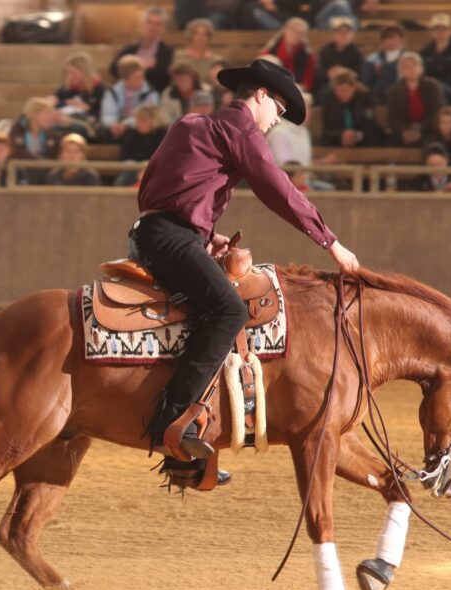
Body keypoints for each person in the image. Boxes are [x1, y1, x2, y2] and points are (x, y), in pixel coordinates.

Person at [133, 58, 359, 462]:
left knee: (204, 313)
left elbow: (163, 188)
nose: (277, 120)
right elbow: (278, 189)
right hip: (171, 238)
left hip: (153, 232)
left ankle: (188, 433)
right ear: (260, 95)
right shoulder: (240, 129)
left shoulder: (191, 124)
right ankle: (172, 422)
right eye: (279, 109)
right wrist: (331, 242)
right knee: (229, 311)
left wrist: (204, 236)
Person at [110, 6, 175, 93]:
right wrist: (143, 65)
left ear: (163, 28)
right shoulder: (130, 49)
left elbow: (164, 77)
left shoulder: (168, 52)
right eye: (149, 22)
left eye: (158, 24)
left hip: (153, 94)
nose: (153, 27)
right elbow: (113, 69)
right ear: (142, 25)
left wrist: (130, 69)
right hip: (126, 94)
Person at [385, 52, 443, 147]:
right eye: (406, 66)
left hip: (428, 128)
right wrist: (405, 131)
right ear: (400, 71)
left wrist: (419, 130)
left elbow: (436, 112)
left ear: (421, 68)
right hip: (403, 130)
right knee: (391, 143)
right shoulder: (394, 90)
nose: (411, 69)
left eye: (414, 65)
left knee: (432, 142)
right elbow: (393, 117)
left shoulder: (432, 86)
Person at [101, 55, 160, 141]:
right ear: (125, 79)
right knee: (103, 132)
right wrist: (113, 124)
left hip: (137, 127)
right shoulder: (113, 92)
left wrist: (126, 124)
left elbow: (147, 116)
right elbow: (107, 114)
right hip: (116, 127)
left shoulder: (150, 92)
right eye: (137, 78)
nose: (141, 80)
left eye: (142, 76)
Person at [9, 97, 64, 183]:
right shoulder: (17, 130)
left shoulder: (51, 134)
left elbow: (54, 154)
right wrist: (38, 162)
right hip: (21, 173)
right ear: (34, 114)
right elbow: (17, 152)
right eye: (46, 114)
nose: (50, 118)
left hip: (44, 175)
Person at [420, 13, 451, 106]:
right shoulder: (425, 53)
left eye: (444, 29)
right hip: (431, 92)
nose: (440, 32)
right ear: (431, 32)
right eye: (437, 29)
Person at [320, 68, 379, 147]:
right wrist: (342, 135)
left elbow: (369, 122)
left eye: (345, 90)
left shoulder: (365, 97)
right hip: (337, 137)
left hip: (362, 136)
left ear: (353, 88)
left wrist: (355, 135)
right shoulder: (329, 100)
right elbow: (328, 125)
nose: (342, 94)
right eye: (338, 91)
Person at [116, 103, 170, 185]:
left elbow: (165, 159)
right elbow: (123, 158)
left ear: (154, 121)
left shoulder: (164, 136)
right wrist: (137, 167)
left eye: (143, 120)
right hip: (133, 171)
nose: (138, 123)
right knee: (127, 175)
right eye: (137, 120)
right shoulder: (131, 135)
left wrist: (146, 168)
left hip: (156, 172)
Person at [261, 18, 317, 93]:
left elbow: (308, 84)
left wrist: (293, 88)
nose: (297, 36)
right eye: (294, 32)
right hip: (273, 90)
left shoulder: (307, 55)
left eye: (301, 33)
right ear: (286, 30)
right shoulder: (270, 52)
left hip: (297, 91)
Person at [315, 16, 365, 98]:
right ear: (334, 34)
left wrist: (346, 73)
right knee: (324, 92)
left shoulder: (357, 53)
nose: (343, 35)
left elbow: (361, 74)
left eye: (346, 33)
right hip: (329, 83)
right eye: (340, 32)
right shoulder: (325, 51)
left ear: (352, 35)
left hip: (350, 83)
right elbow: (319, 72)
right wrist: (329, 73)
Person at [54, 52, 106, 128]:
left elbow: (104, 114)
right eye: (69, 73)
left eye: (74, 73)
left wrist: (87, 108)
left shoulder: (98, 88)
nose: (71, 76)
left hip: (88, 125)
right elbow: (55, 101)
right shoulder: (67, 88)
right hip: (67, 121)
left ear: (84, 72)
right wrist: (64, 103)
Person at [361, 23, 405, 101]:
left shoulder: (408, 56)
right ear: (382, 41)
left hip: (402, 93)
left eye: (394, 38)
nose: (391, 41)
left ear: (401, 39)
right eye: (387, 38)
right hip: (378, 94)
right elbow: (367, 81)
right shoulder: (373, 57)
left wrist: (384, 68)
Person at [175, 18, 224, 83]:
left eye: (204, 34)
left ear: (209, 37)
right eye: (197, 34)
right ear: (190, 36)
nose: (201, 37)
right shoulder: (178, 56)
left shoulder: (216, 60)